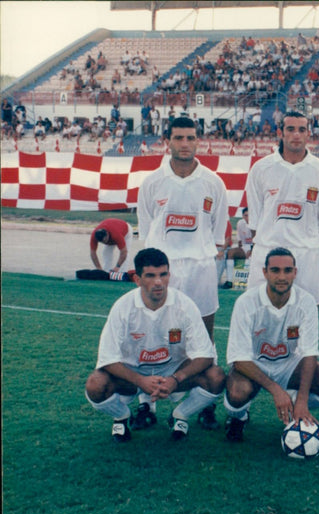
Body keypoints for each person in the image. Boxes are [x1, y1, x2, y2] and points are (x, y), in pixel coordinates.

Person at [137, 116, 228, 428]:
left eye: (191, 138)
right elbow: (146, 231)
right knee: (152, 335)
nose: (185, 144)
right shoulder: (151, 182)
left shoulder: (213, 182)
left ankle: (204, 403)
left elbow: (217, 235)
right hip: (164, 271)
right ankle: (145, 405)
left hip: (201, 269)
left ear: (198, 140)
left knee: (205, 338)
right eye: (179, 138)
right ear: (168, 141)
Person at [84, 248, 226, 442]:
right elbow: (107, 358)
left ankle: (180, 415)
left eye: (163, 274)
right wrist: (140, 380)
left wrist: (176, 379)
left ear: (169, 275)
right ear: (138, 279)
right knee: (95, 384)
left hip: (173, 372)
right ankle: (122, 416)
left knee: (216, 376)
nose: (158, 282)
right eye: (150, 276)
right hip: (133, 373)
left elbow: (205, 354)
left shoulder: (185, 305)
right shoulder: (123, 307)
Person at [223, 248, 319, 442]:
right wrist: (275, 390)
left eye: (287, 271)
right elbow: (239, 359)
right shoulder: (246, 302)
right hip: (254, 364)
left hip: (288, 364)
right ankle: (240, 416)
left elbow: (310, 353)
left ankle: (295, 401)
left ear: (295, 273)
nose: (282, 277)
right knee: (238, 393)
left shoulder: (306, 302)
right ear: (265, 273)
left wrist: (302, 399)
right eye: (275, 270)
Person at [244, 110, 319, 304]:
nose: (296, 134)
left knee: (307, 312)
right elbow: (255, 221)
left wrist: (303, 242)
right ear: (280, 132)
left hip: (306, 254)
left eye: (301, 129)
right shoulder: (261, 169)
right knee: (258, 310)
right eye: (291, 129)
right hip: (267, 250)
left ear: (308, 134)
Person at [222, 207, 253, 288]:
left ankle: (250, 281)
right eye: (245, 215)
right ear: (242, 216)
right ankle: (229, 281)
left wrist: (252, 250)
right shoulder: (240, 223)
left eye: (249, 215)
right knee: (230, 253)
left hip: (255, 248)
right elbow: (240, 241)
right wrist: (240, 250)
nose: (247, 217)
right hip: (245, 247)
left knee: (251, 256)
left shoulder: (257, 223)